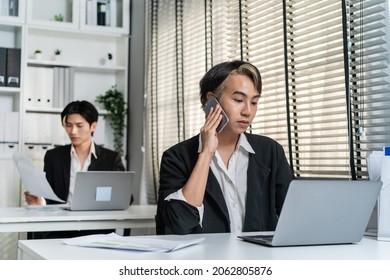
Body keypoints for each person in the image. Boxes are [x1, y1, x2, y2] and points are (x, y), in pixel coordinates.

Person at [156, 60, 294, 235]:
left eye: (254, 102)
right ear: (212, 101)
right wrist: (206, 154)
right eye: (238, 100)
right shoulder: (176, 157)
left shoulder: (270, 151)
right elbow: (179, 223)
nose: (247, 111)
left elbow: (294, 216)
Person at [24, 100, 126, 238]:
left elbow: (124, 198)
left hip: (96, 229)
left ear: (93, 126)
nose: (73, 131)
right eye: (68, 125)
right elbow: (50, 196)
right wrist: (40, 201)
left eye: (79, 125)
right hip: (61, 227)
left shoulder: (111, 159)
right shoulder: (54, 157)